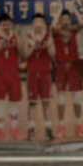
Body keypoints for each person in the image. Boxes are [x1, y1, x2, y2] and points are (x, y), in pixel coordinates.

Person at [52, 6, 83, 138]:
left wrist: (75, 10)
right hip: (61, 67)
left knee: (77, 98)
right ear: (60, 21)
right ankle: (61, 126)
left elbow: (82, 23)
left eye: (67, 19)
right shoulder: (56, 32)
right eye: (63, 19)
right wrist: (58, 11)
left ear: (70, 20)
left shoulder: (73, 31)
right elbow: (52, 26)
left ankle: (79, 125)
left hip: (74, 67)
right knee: (61, 99)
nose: (65, 21)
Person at [24, 13, 56, 142]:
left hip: (45, 73)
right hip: (32, 73)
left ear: (44, 25)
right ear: (32, 25)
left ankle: (48, 129)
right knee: (32, 102)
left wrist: (49, 45)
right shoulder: (28, 37)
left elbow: (53, 56)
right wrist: (32, 45)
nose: (38, 25)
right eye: (36, 23)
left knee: (46, 102)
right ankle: (31, 130)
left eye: (40, 23)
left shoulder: (48, 38)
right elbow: (25, 55)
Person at [0, 12, 22, 141]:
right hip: (1, 73)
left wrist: (17, 40)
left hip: (13, 72)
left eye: (8, 25)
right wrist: (2, 41)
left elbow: (22, 53)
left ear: (11, 25)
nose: (6, 27)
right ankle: (1, 129)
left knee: (14, 102)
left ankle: (14, 129)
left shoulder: (15, 36)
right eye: (4, 25)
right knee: (0, 102)